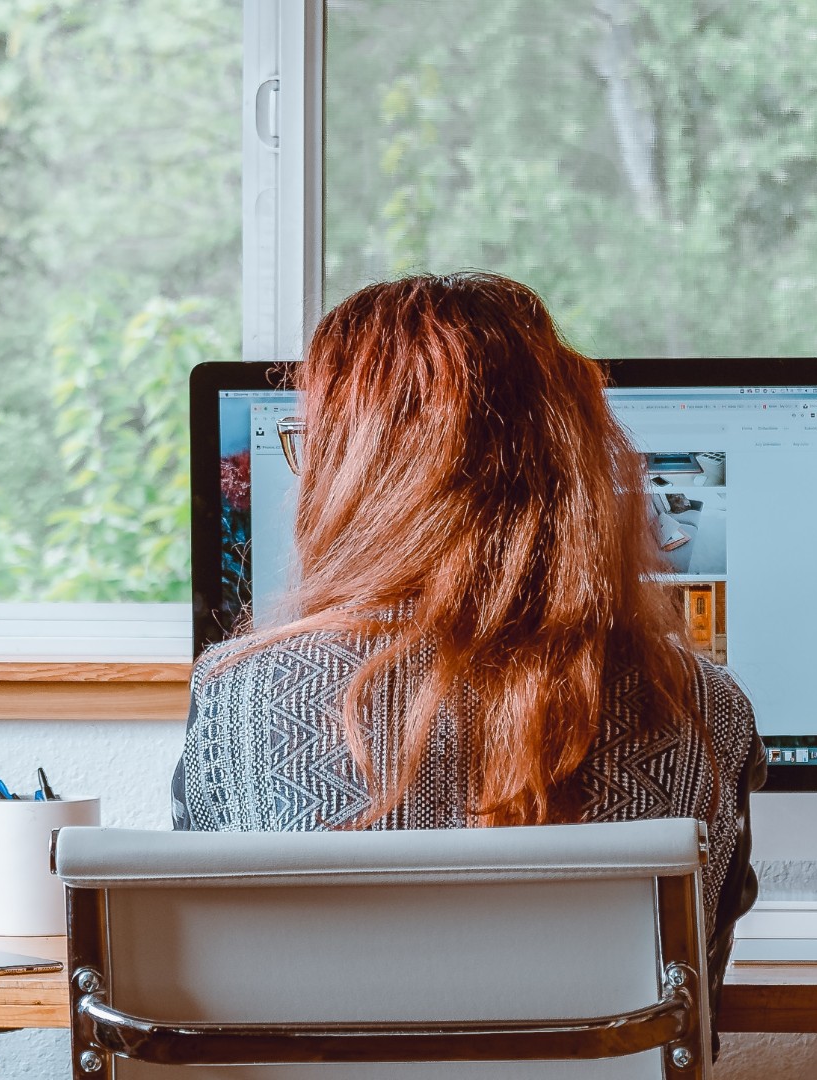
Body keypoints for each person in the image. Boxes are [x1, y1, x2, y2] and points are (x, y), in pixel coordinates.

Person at [171, 271, 764, 1029]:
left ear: (355, 472)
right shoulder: (703, 705)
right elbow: (691, 1004)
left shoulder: (239, 693)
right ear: (577, 461)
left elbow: (219, 981)